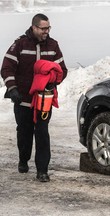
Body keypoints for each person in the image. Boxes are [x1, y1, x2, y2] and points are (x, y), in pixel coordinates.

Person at [1, 13, 68, 182]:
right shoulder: (20, 44)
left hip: (43, 100)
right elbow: (6, 68)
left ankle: (42, 171)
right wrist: (13, 88)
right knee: (24, 132)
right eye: (43, 28)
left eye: (48, 28)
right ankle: (23, 159)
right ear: (34, 27)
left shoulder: (53, 45)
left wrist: (53, 82)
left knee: (42, 133)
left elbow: (63, 70)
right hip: (22, 99)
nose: (46, 31)